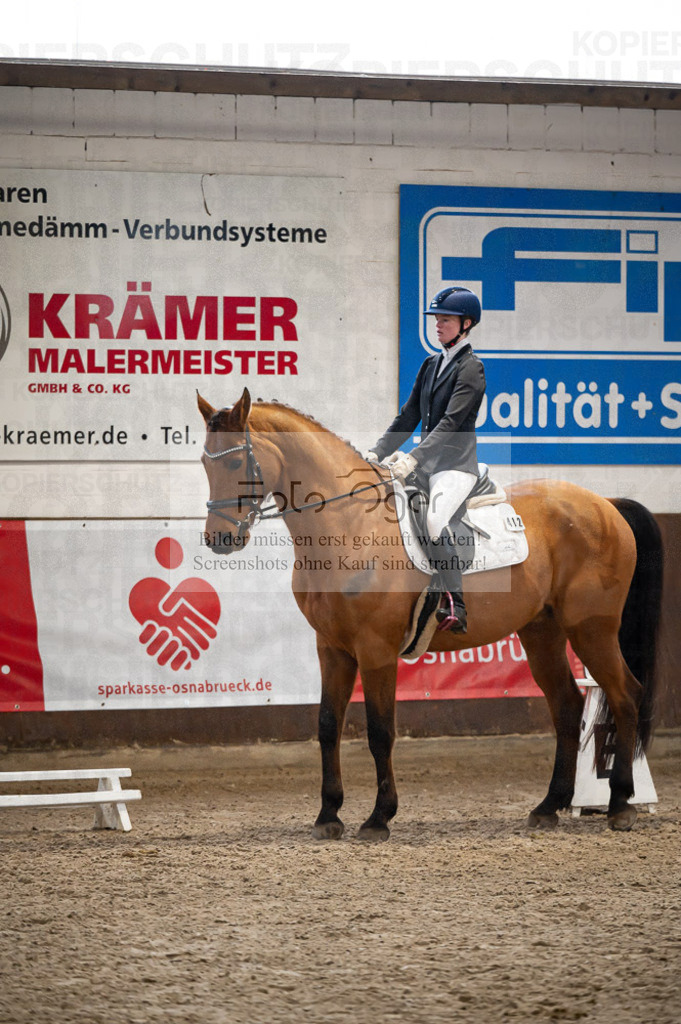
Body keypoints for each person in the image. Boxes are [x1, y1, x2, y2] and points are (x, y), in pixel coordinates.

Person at [365, 286, 486, 633]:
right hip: (425, 465)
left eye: (445, 320)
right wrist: (376, 452)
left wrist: (413, 459)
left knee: (435, 521)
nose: (438, 325)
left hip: (455, 467)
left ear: (466, 324)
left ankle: (456, 604)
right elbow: (408, 416)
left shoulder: (472, 369)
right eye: (437, 319)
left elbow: (450, 423)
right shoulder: (431, 364)